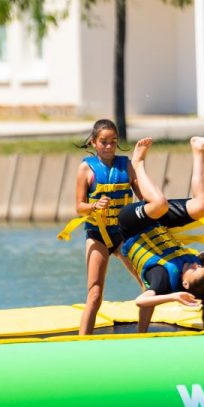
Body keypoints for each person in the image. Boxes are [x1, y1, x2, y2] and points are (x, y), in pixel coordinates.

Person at [117, 133, 204, 332]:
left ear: (184, 283)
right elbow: (197, 261)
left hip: (130, 226)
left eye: (196, 267)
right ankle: (198, 149)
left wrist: (173, 297)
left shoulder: (163, 280)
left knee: (159, 204)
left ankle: (138, 163)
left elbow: (142, 301)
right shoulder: (190, 266)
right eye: (200, 265)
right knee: (201, 207)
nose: (196, 263)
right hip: (157, 223)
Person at [57, 119, 143, 335]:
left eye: (113, 142)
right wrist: (94, 205)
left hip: (124, 234)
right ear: (94, 142)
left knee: (148, 283)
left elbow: (144, 200)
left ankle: (144, 334)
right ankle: (82, 343)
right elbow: (79, 207)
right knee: (95, 294)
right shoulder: (85, 168)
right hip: (97, 235)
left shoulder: (128, 166)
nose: (109, 146)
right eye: (103, 142)